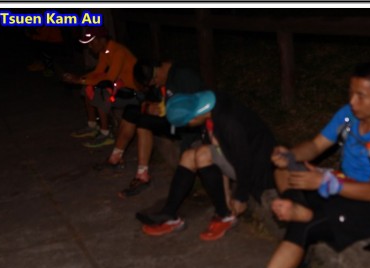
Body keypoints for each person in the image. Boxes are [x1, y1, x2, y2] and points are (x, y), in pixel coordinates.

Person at [209, 60, 370, 268]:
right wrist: (290, 155)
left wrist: (324, 183)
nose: (352, 101)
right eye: (351, 93)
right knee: (282, 171)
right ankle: (298, 224)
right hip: (338, 184)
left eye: (361, 96)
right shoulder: (348, 115)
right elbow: (316, 146)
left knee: (305, 225)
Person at [136, 90, 277, 241]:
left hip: (259, 168)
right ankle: (169, 214)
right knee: (188, 155)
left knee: (203, 155)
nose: (188, 127)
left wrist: (241, 197)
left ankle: (224, 216)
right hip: (239, 157)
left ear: (195, 117)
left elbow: (243, 160)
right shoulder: (211, 108)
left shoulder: (228, 122)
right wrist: (226, 194)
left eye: (187, 124)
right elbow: (222, 152)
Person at [97, 59, 206, 198]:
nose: (156, 84)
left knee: (144, 122)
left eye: (154, 81)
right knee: (130, 111)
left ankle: (142, 176)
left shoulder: (183, 76)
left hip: (186, 125)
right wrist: (150, 107)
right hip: (169, 117)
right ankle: (116, 158)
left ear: (157, 72)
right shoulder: (162, 77)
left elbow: (190, 109)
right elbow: (150, 100)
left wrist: (164, 111)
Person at [62, 27, 139, 148]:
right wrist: (78, 78)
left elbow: (109, 79)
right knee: (88, 88)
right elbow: (98, 71)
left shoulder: (118, 52)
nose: (90, 46)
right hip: (121, 86)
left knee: (101, 91)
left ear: (102, 40)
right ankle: (92, 125)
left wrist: (80, 80)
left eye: (92, 42)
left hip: (133, 91)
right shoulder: (105, 51)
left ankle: (106, 133)